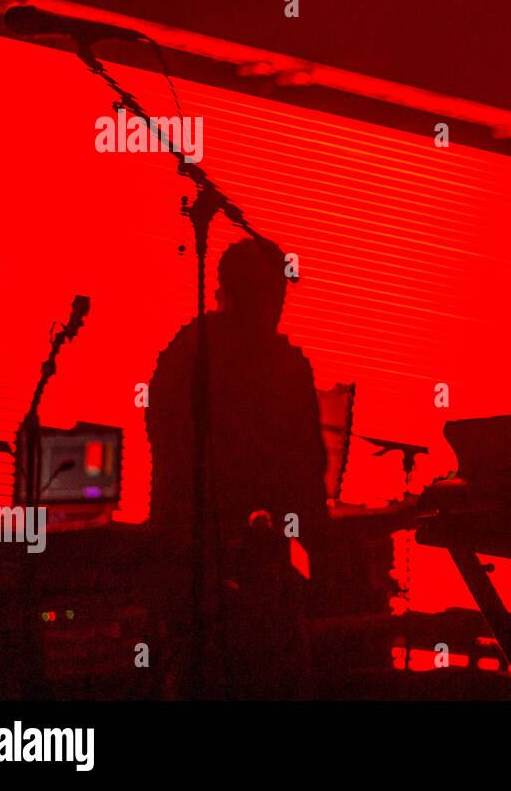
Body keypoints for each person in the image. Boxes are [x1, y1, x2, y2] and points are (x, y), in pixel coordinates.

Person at [146, 237, 327, 698]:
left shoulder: (187, 351)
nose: (277, 309)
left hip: (200, 570)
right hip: (233, 577)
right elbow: (308, 470)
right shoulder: (275, 364)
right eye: (271, 296)